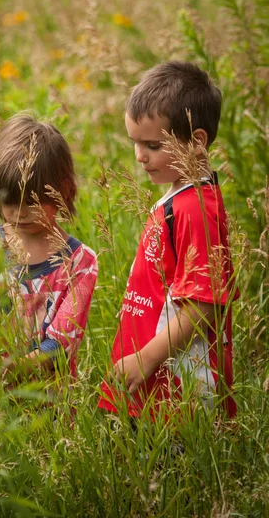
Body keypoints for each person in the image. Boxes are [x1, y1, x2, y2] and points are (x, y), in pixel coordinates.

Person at [99, 61, 238, 419]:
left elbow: (206, 305)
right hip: (154, 378)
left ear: (196, 141)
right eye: (135, 142)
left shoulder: (195, 210)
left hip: (178, 385)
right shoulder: (180, 195)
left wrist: (147, 357)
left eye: (153, 145)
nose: (140, 156)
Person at [0, 113, 98, 416]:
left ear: (62, 190)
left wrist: (12, 369)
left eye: (33, 202)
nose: (20, 213)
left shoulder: (80, 264)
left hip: (44, 406)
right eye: (10, 202)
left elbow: (61, 344)